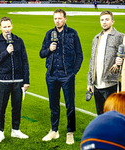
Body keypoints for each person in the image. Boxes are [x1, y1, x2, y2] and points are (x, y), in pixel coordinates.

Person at [40, 9, 83, 145]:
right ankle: (54, 130)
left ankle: (70, 132)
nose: (57, 21)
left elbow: (79, 54)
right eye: (55, 18)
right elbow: (41, 53)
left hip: (67, 75)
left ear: (65, 19)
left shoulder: (72, 33)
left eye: (59, 18)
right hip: (52, 75)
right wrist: (49, 49)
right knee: (53, 105)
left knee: (70, 105)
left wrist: (73, 72)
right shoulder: (49, 34)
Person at [0, 17, 30, 144]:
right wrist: (6, 52)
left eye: (9, 26)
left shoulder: (19, 41)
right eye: (4, 27)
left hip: (18, 80)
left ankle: (15, 130)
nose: (7, 29)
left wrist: (26, 80)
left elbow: (25, 62)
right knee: (1, 108)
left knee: (17, 107)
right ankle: (0, 132)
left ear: (12, 26)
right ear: (0, 27)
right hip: (3, 80)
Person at [87, 10, 124, 115]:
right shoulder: (96, 38)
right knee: (100, 116)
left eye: (107, 19)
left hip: (111, 84)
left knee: (114, 115)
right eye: (102, 20)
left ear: (112, 21)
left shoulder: (119, 37)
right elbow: (92, 61)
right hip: (97, 85)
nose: (104, 22)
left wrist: (119, 62)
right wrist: (90, 82)